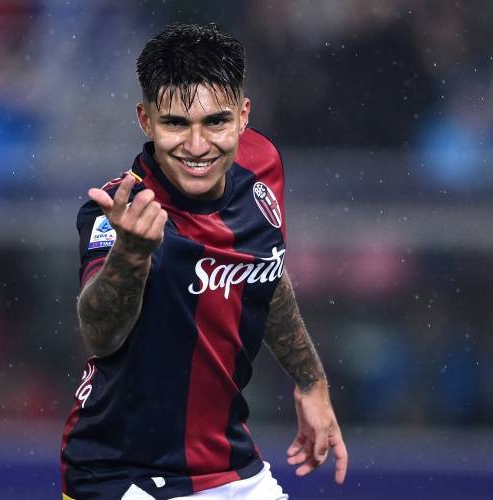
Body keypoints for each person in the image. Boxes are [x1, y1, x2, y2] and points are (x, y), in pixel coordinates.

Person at [60, 23, 348, 500]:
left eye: (216, 122)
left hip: (229, 466)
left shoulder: (262, 165)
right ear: (146, 121)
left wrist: (311, 382)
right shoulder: (119, 212)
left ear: (243, 115)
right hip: (120, 472)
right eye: (176, 124)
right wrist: (130, 256)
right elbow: (100, 334)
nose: (197, 146)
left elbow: (265, 274)